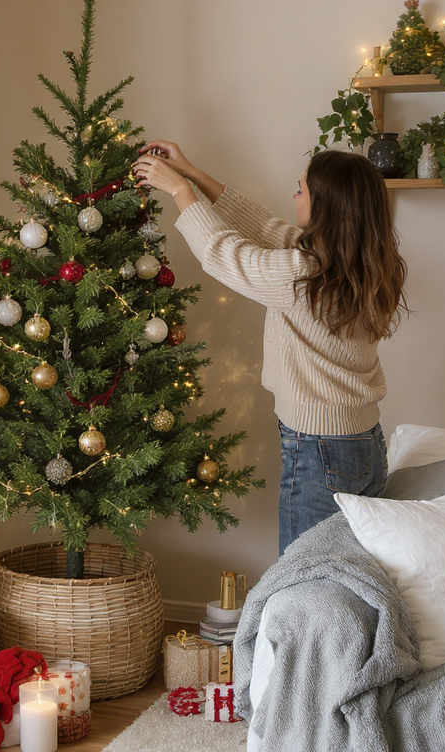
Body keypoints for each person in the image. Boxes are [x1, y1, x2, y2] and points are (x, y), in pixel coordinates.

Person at [132, 142, 408, 554]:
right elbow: (267, 228)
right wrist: (192, 173)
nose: (293, 196)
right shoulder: (362, 263)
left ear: (326, 207)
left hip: (318, 450)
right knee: (348, 571)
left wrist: (179, 191)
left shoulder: (305, 276)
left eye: (301, 190)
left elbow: (224, 253)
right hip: (364, 442)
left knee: (301, 581)